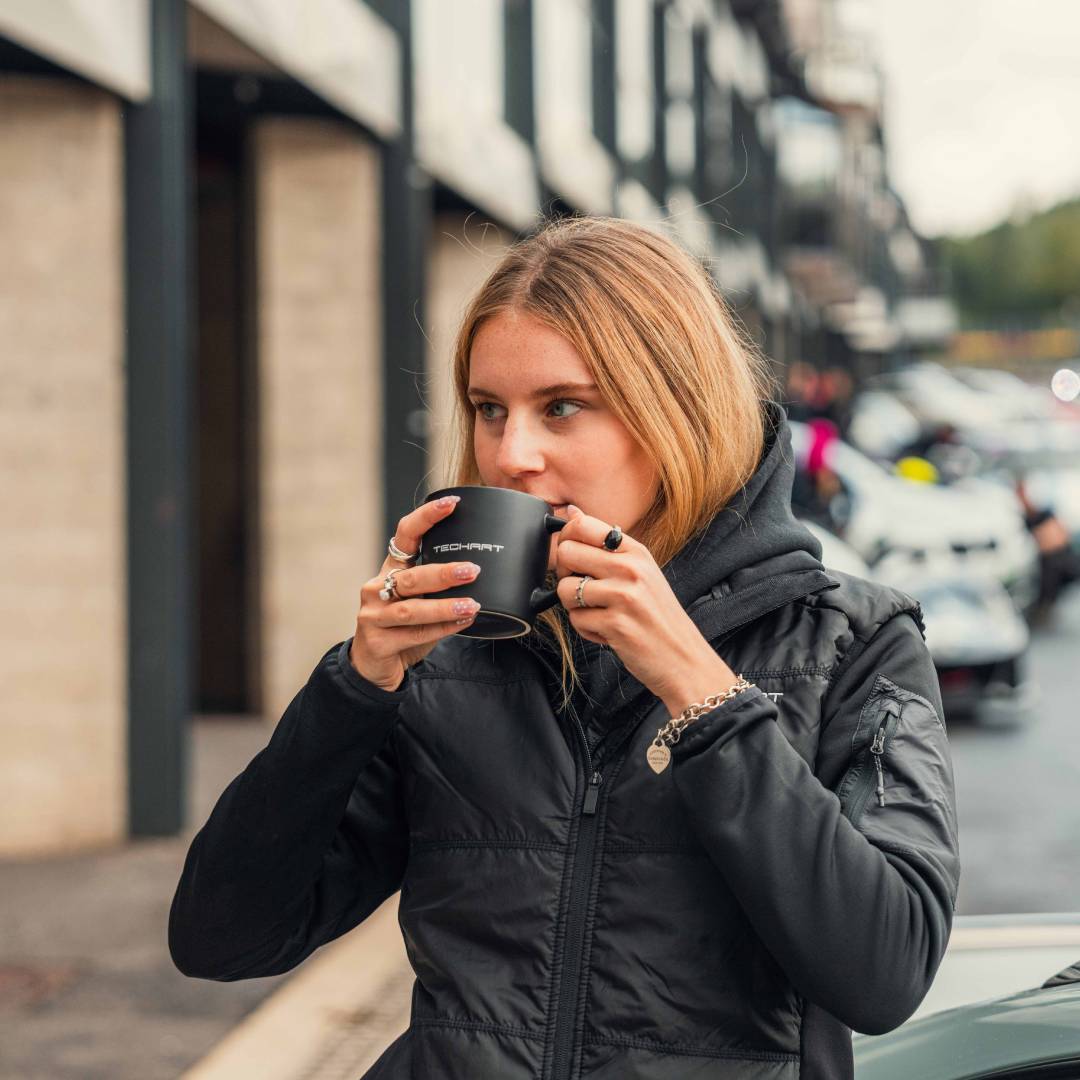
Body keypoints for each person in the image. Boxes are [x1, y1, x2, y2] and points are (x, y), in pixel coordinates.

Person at [169, 217, 960, 1080]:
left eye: (563, 407)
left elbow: (885, 972)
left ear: (677, 409)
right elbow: (220, 938)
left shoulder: (853, 642)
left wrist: (701, 692)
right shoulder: (452, 656)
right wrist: (355, 688)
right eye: (487, 410)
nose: (512, 455)